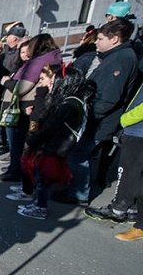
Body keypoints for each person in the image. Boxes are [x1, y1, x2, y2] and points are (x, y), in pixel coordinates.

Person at [65, 19, 139, 205]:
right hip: (96, 119)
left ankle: (80, 194)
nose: (96, 42)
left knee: (78, 155)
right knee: (80, 155)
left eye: (100, 38)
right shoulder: (117, 56)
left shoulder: (122, 59)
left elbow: (108, 98)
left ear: (114, 39)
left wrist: (86, 116)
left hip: (99, 121)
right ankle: (76, 190)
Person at [17, 68, 93, 220]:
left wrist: (33, 140)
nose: (51, 84)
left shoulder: (69, 104)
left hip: (54, 147)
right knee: (42, 178)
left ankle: (40, 207)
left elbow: (50, 127)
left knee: (43, 179)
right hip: (55, 146)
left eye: (53, 82)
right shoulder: (72, 101)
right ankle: (39, 203)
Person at [0, 34, 62, 183]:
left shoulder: (38, 62)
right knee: (23, 143)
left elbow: (21, 88)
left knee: (18, 142)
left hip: (25, 105)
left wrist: (7, 81)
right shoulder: (53, 59)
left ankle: (17, 172)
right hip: (34, 104)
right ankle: (18, 169)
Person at [84, 82, 143, 237]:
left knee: (127, 172)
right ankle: (132, 209)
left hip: (137, 130)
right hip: (136, 130)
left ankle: (119, 209)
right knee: (136, 173)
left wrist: (124, 119)